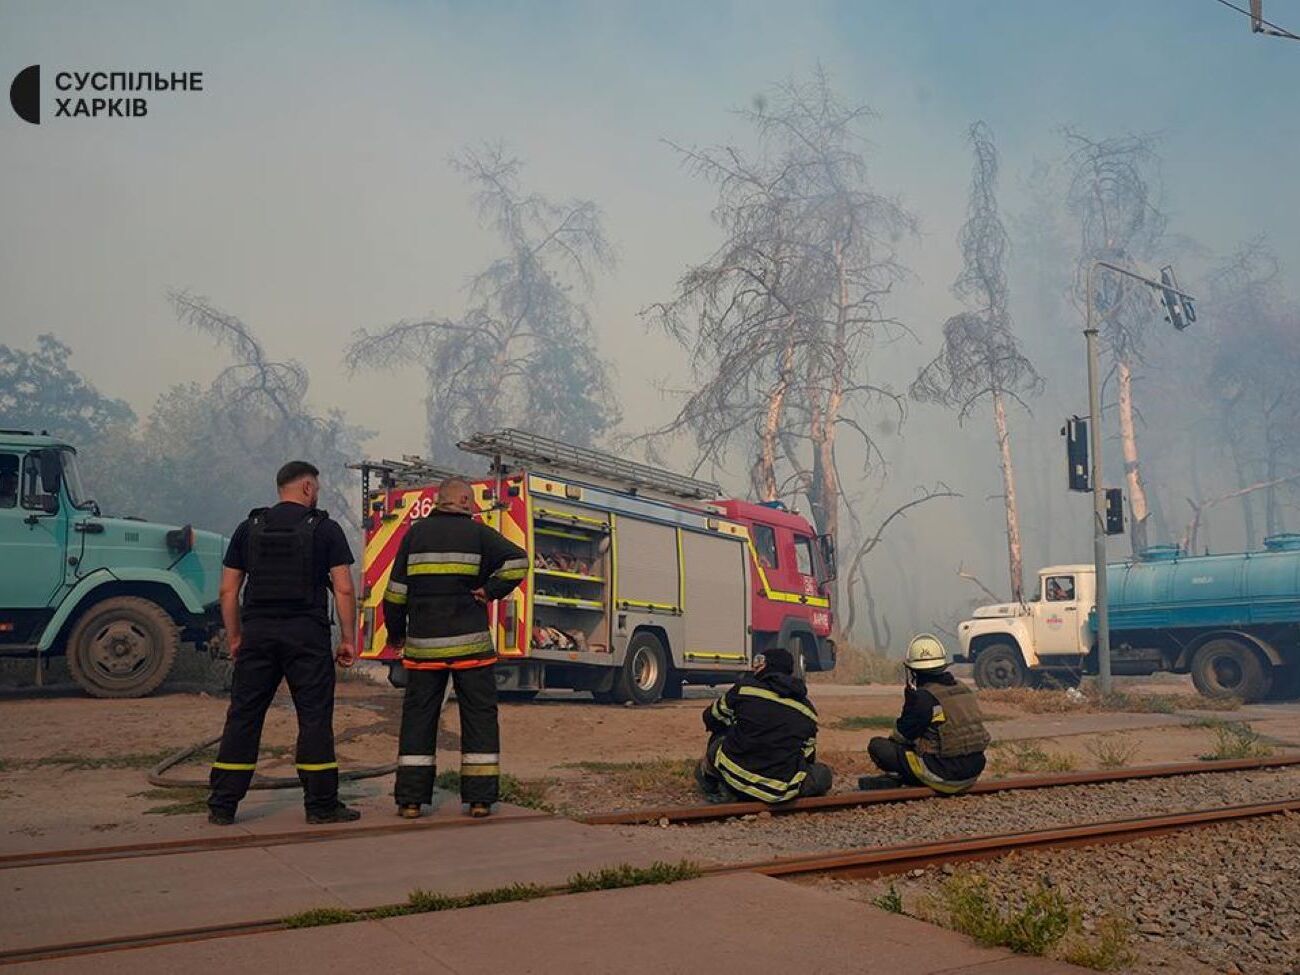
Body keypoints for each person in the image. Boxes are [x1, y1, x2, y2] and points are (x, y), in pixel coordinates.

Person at [207, 461, 359, 826]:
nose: (317, 493)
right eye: (317, 488)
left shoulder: (249, 528)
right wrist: (349, 639)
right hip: (307, 636)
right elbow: (344, 587)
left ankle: (223, 804)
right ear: (307, 488)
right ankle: (321, 805)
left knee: (244, 715)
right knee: (314, 718)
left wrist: (237, 637)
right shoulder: (325, 529)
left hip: (258, 634)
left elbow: (228, 590)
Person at [384, 475, 528, 819]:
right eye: (472, 501)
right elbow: (518, 561)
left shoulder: (414, 535)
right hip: (471, 650)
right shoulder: (478, 534)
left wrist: (396, 634)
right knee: (478, 717)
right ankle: (479, 800)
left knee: (419, 719)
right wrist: (490, 590)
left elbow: (395, 592)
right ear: (462, 501)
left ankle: (411, 801)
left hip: (424, 649)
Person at [695, 647, 832, 804]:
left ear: (768, 666)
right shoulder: (808, 711)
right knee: (823, 773)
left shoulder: (745, 689)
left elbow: (710, 718)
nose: (754, 667)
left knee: (718, 739)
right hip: (779, 789)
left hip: (734, 777)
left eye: (759, 662)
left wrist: (735, 723)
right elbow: (808, 757)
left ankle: (716, 784)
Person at [859, 634, 991, 796]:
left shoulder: (923, 697)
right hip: (974, 770)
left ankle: (907, 777)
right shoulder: (963, 688)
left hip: (945, 775)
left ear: (913, 671)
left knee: (879, 747)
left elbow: (901, 736)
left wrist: (910, 703)